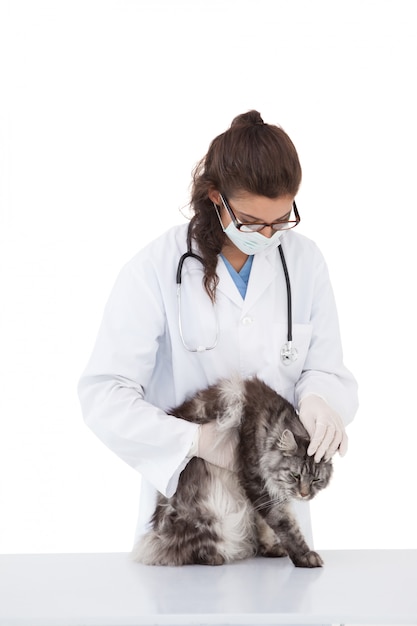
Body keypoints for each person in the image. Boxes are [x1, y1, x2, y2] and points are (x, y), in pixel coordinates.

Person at [78, 110, 358, 547]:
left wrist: (322, 399)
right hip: (195, 517)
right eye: (250, 221)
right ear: (215, 198)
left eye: (280, 220)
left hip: (277, 515)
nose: (267, 234)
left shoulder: (304, 261)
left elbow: (325, 367)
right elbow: (104, 393)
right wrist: (196, 440)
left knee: (290, 611)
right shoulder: (156, 267)